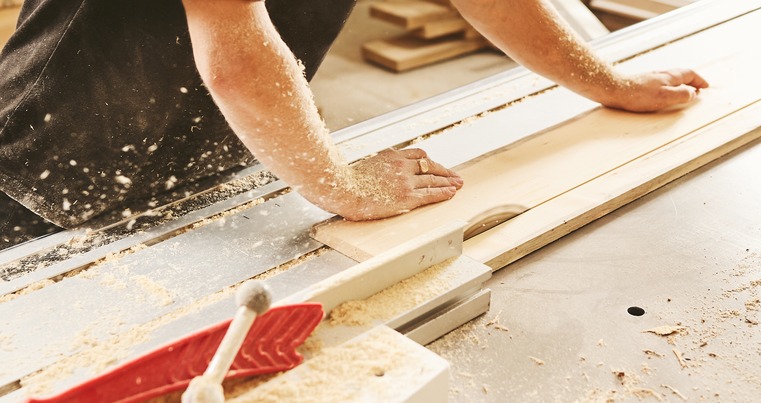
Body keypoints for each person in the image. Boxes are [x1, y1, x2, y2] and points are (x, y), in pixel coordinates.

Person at [0, 0, 708, 250]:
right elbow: (236, 54)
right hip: (49, 157)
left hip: (221, 145)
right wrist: (339, 181)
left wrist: (606, 81)